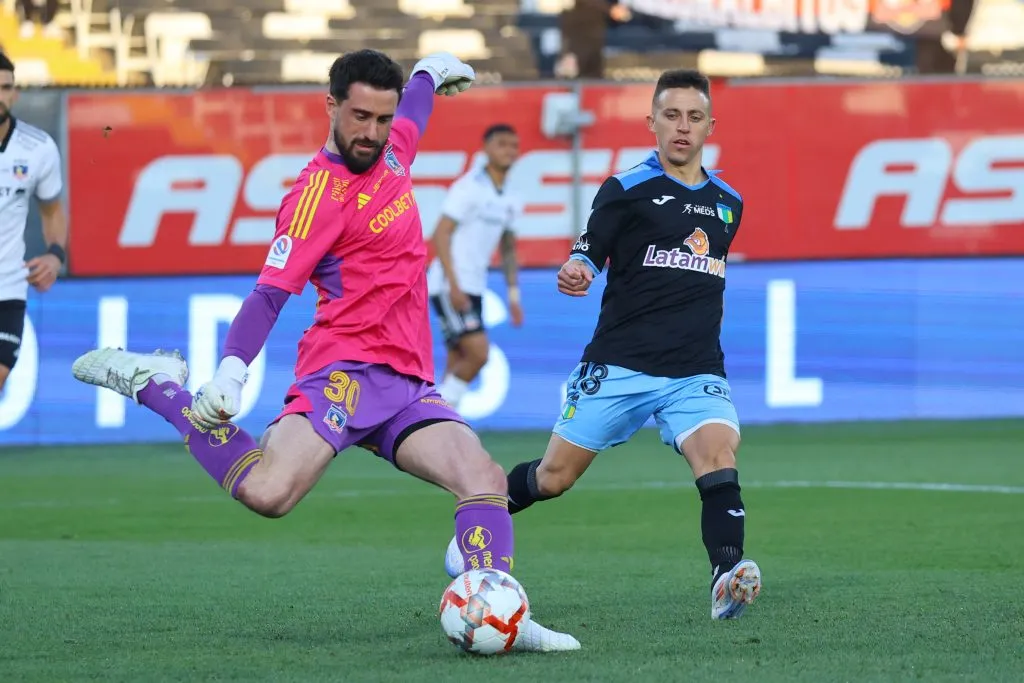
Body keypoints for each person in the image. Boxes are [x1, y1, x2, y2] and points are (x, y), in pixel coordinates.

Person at [72, 49, 579, 653]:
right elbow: (268, 294)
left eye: (381, 119)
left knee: (484, 478)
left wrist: (426, 74)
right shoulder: (315, 197)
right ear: (331, 105)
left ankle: (502, 617)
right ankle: (157, 384)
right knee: (268, 493)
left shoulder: (393, 149)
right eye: (359, 116)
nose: (371, 132)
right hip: (342, 372)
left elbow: (415, 115)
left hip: (407, 381)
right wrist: (232, 371)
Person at [444, 69, 762, 621]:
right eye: (671, 115)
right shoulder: (626, 189)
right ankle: (478, 523)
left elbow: (712, 281)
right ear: (652, 122)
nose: (682, 127)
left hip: (695, 368)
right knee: (554, 477)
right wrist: (577, 269)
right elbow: (588, 251)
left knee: (718, 457)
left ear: (711, 124)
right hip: (621, 364)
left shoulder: (728, 201)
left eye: (693, 116)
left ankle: (725, 576)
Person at [428, 123, 524, 411]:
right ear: (486, 149)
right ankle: (437, 418)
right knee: (478, 353)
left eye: (514, 145)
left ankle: (438, 424)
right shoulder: (468, 187)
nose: (509, 150)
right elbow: (440, 233)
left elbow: (508, 248)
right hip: (450, 284)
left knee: (458, 357)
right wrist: (453, 285)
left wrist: (514, 296)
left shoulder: (511, 196)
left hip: (475, 284)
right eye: (502, 144)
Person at [0, 52, 67, 393]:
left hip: (8, 286)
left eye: (5, 87)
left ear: (15, 93)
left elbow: (52, 210)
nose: (0, 95)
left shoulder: (38, 148)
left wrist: (55, 254)